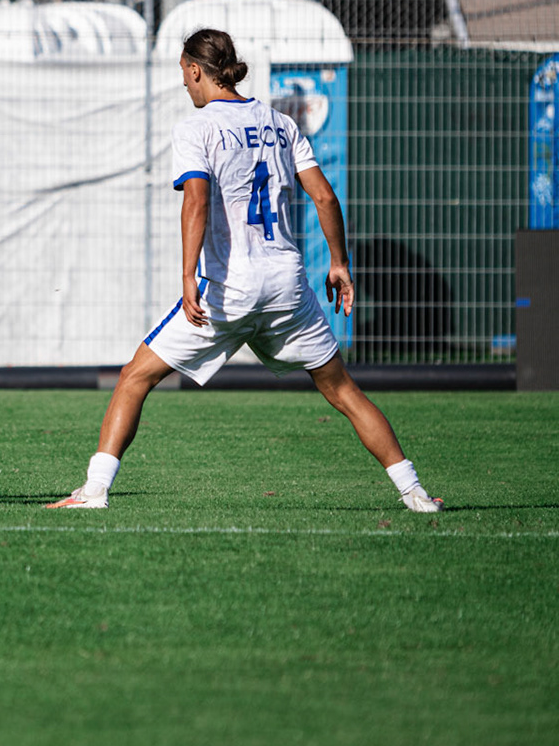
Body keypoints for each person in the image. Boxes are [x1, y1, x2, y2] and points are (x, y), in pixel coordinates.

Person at [49, 28, 442, 513]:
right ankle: (414, 492)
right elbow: (324, 196)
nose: (184, 84)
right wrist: (339, 262)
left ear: (196, 70)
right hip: (286, 285)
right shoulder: (281, 123)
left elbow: (196, 201)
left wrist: (188, 275)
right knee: (342, 390)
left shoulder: (196, 128)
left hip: (229, 288)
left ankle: (94, 491)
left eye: (184, 73)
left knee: (135, 377)